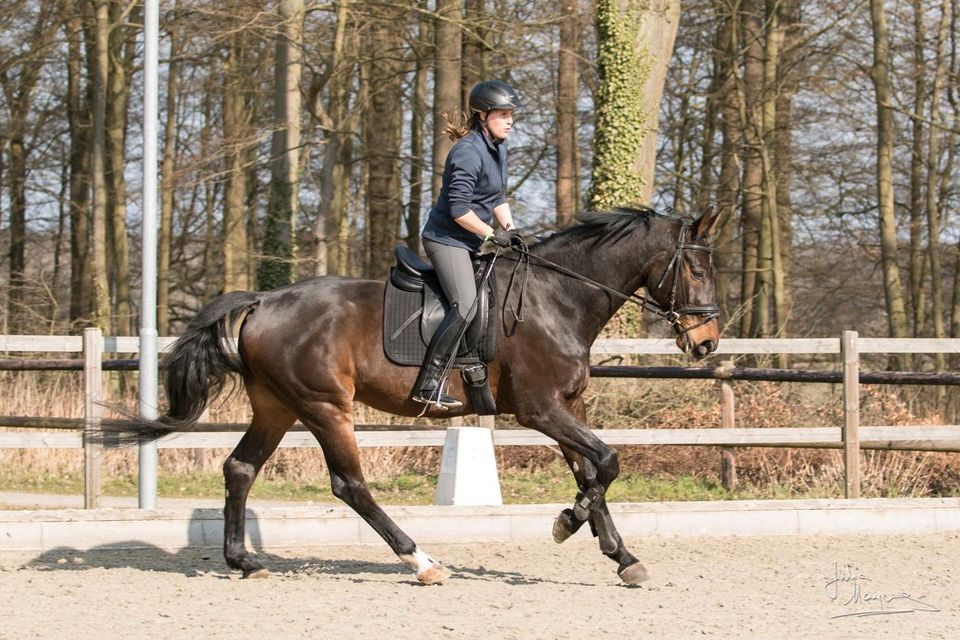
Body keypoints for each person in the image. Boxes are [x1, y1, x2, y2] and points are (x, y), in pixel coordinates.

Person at [412, 80, 523, 409]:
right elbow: (460, 211)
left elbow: (496, 196)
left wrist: (511, 229)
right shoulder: (467, 152)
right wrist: (491, 235)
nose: (510, 120)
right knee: (466, 303)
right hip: (446, 240)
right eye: (503, 114)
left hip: (470, 241)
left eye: (511, 115)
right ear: (483, 115)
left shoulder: (497, 148)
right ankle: (429, 382)